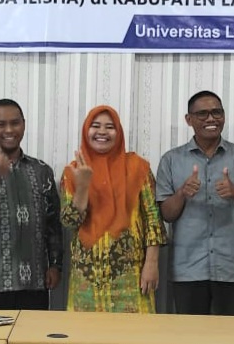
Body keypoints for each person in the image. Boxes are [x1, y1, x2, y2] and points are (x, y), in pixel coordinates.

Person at [157, 91, 234, 316]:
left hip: (233, 267)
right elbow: (166, 214)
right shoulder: (171, 160)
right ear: (189, 119)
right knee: (190, 333)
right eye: (202, 114)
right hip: (188, 268)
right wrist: (182, 193)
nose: (211, 119)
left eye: (217, 112)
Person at [60, 105, 166, 313]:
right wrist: (83, 186)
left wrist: (152, 263)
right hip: (86, 279)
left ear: (119, 133)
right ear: (86, 131)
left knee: (134, 330)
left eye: (110, 127)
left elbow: (153, 219)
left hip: (131, 275)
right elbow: (69, 222)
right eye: (95, 126)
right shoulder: (73, 171)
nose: (102, 132)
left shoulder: (138, 168)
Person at [0, 98, 63, 310]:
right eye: (1, 124)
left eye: (15, 123)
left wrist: (55, 265)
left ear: (24, 125)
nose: (9, 130)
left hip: (35, 283)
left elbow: (53, 224)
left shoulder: (42, 170)